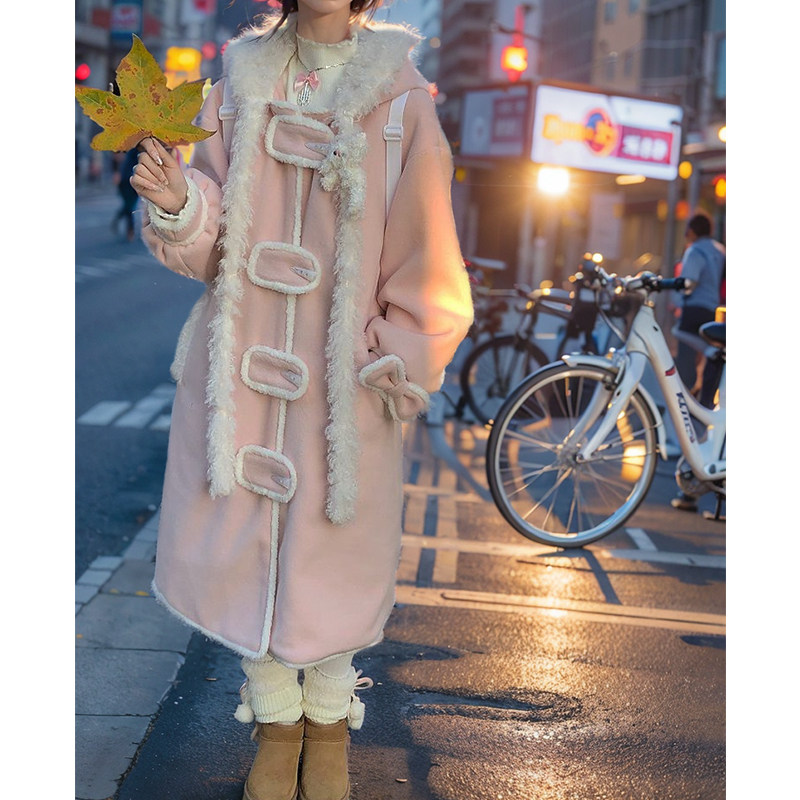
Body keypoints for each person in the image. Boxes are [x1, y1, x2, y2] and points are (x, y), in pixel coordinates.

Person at [129, 2, 474, 799]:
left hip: (345, 381)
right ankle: (276, 719)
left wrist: (393, 354)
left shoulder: (401, 100)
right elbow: (211, 248)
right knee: (240, 543)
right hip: (239, 373)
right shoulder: (235, 89)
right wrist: (179, 201)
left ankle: (329, 721)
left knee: (335, 550)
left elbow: (428, 250)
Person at [671, 211, 725, 512]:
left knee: (681, 377)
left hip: (692, 312)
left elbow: (688, 282)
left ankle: (686, 419)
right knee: (710, 376)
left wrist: (673, 289)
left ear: (691, 231)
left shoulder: (694, 251)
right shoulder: (719, 250)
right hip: (712, 311)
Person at [111, 147, 140, 241]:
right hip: (123, 182)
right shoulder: (122, 145)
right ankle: (130, 229)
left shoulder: (134, 149)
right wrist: (116, 172)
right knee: (129, 206)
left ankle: (121, 220)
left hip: (133, 181)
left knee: (129, 206)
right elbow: (115, 158)